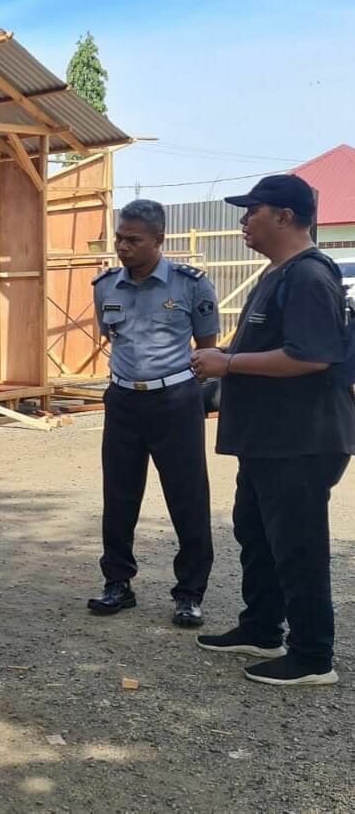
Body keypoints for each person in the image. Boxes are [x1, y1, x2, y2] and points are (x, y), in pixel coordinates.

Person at [193, 174, 354, 686]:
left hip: (300, 441)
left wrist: (228, 362)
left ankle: (312, 656)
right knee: (257, 535)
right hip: (270, 441)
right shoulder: (278, 274)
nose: (243, 220)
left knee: (297, 545)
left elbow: (312, 357)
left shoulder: (309, 277)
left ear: (284, 216)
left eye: (252, 210)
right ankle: (262, 627)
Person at [86, 199, 219, 628]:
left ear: (159, 240)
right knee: (119, 495)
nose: (122, 247)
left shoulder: (191, 284)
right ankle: (117, 583)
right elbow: (111, 337)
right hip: (123, 400)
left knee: (188, 496)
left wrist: (184, 392)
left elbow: (208, 348)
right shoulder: (105, 285)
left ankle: (190, 593)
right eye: (119, 238)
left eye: (133, 240)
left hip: (175, 400)